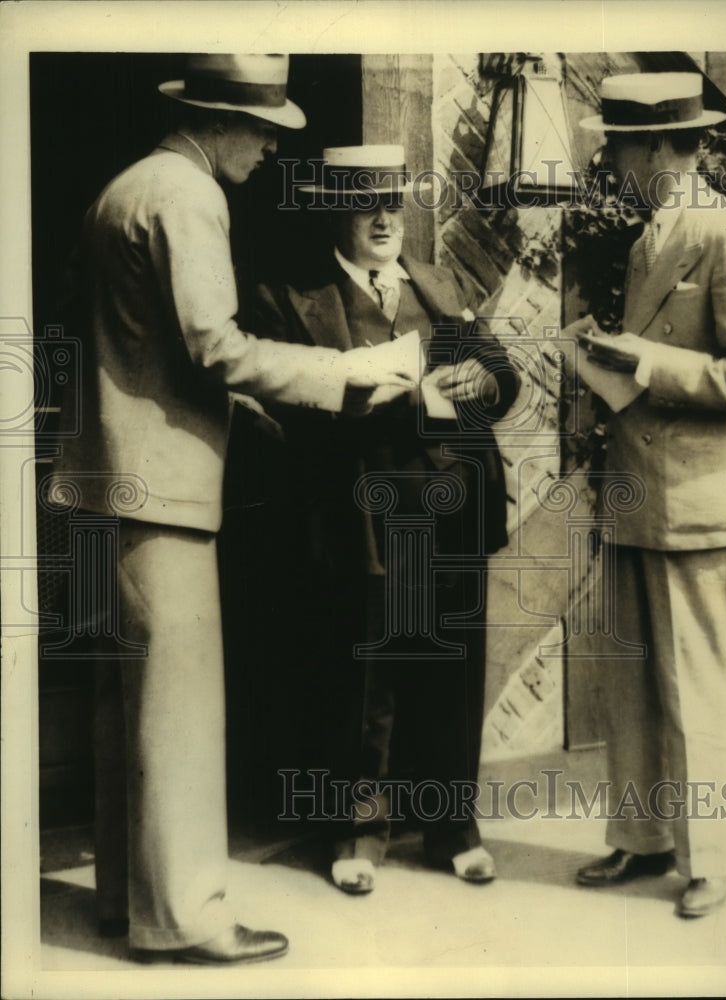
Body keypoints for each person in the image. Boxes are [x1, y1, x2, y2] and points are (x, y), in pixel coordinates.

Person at [48, 57, 415, 964]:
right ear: (218, 123)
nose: (267, 148)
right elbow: (214, 343)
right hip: (164, 487)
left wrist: (234, 406)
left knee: (121, 705)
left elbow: (124, 340)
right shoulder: (191, 198)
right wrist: (342, 373)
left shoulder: (123, 191)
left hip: (102, 477)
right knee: (175, 710)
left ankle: (123, 902)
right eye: (262, 132)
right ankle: (188, 917)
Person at [250, 145, 521, 894]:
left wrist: (482, 378)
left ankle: (451, 829)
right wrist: (373, 394)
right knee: (362, 670)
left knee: (452, 667)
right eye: (366, 203)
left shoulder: (436, 284)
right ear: (332, 208)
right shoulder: (290, 296)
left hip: (451, 506)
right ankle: (357, 832)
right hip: (359, 508)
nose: (383, 218)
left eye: (394, 203)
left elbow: (504, 374)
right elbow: (278, 410)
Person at [566, 72, 726, 918]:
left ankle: (719, 858)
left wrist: (645, 363)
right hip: (639, 492)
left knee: (700, 689)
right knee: (632, 679)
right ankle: (642, 840)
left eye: (621, 148)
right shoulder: (644, 240)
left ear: (662, 148)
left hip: (701, 504)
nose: (613, 163)